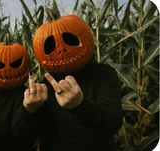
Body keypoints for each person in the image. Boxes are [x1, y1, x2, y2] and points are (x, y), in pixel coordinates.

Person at [13, 15, 123, 151]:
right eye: (50, 46)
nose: (62, 50)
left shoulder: (103, 74)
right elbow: (25, 136)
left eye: (70, 40)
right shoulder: (45, 86)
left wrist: (80, 106)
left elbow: (112, 123)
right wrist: (28, 111)